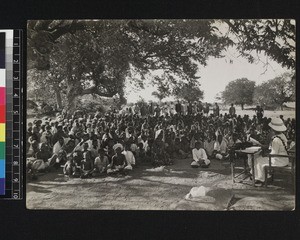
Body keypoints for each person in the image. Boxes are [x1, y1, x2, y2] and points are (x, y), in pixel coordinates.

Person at [251, 118, 289, 185]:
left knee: (258, 160)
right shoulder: (282, 135)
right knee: (260, 159)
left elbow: (274, 153)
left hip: (279, 160)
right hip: (284, 158)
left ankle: (260, 179)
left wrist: (266, 154)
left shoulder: (276, 140)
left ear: (273, 129)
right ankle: (262, 177)